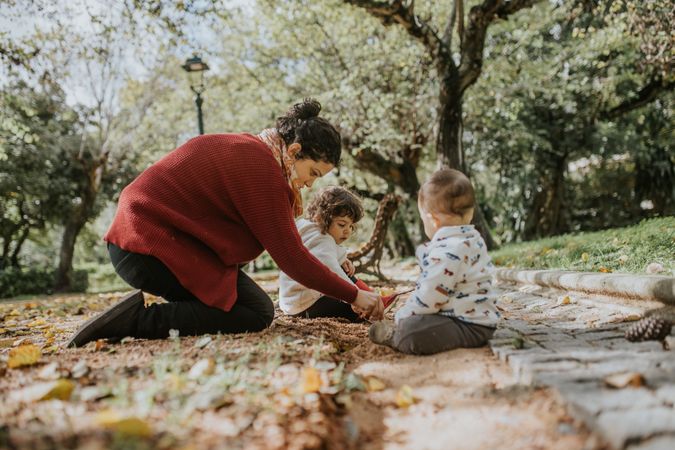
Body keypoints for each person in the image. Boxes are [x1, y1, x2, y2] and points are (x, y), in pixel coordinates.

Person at [67, 98, 383, 347]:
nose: (311, 184)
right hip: (146, 247)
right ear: (295, 151)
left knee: (254, 307)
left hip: (152, 243)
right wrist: (354, 295)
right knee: (255, 313)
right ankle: (134, 321)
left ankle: (135, 316)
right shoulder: (264, 171)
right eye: (313, 172)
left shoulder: (255, 152)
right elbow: (292, 258)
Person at [369, 169, 500, 355]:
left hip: (467, 325)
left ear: (433, 220)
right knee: (420, 323)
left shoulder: (447, 250)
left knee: (412, 331)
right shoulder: (472, 238)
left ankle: (394, 336)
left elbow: (430, 296)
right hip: (473, 320)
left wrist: (403, 315)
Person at [279, 186, 375, 322]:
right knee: (355, 310)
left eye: (351, 226)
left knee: (345, 271)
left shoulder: (306, 227)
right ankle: (369, 302)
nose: (347, 231)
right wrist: (356, 295)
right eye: (342, 225)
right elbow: (330, 267)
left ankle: (370, 296)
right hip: (304, 305)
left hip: (293, 300)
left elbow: (322, 252)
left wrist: (342, 258)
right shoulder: (322, 238)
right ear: (320, 218)